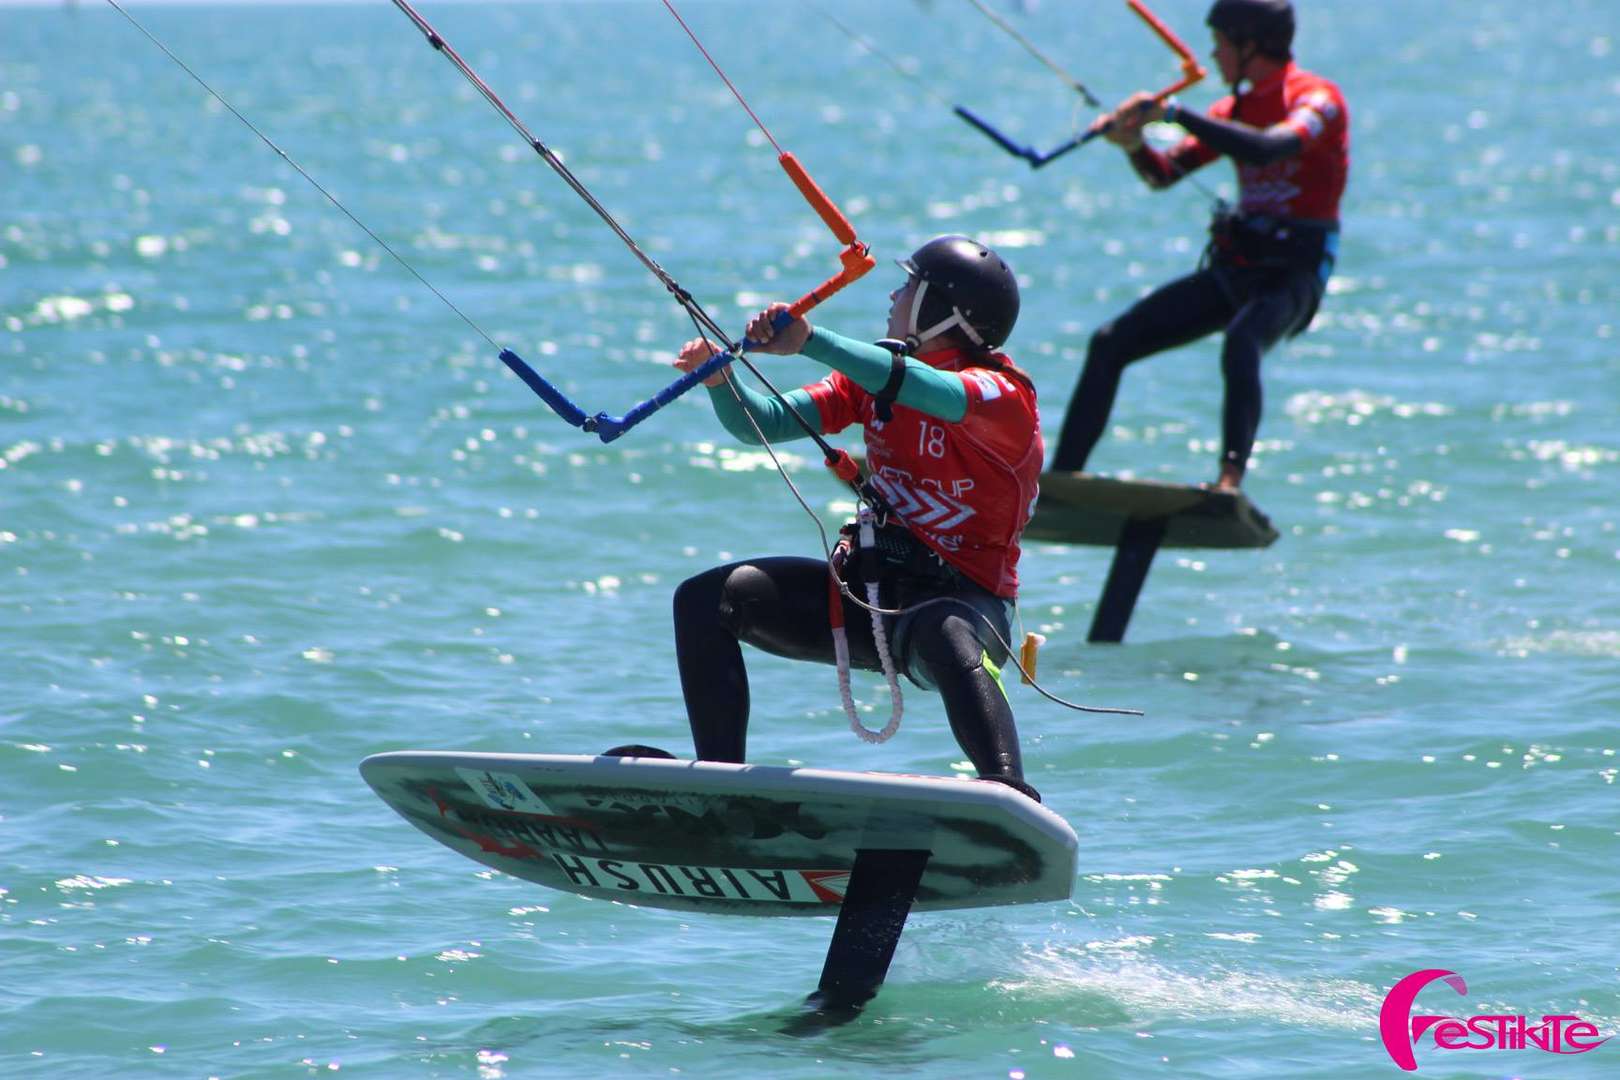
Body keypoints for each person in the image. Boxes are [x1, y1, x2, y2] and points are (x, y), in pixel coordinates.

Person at [666, 235, 1046, 800]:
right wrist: (723, 384)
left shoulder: (1001, 396)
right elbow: (762, 423)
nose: (894, 294)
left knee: (948, 633)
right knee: (705, 600)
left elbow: (921, 387)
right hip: (870, 599)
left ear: (942, 311)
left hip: (964, 605)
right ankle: (721, 793)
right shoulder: (869, 383)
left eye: (909, 286)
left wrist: (810, 340)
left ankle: (1009, 794)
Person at [1049, 0, 1348, 490]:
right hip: (1240, 268)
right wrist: (1133, 146)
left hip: (1294, 275)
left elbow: (1267, 147)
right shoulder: (1232, 110)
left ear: (1250, 45)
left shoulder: (1317, 98)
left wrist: (1171, 112)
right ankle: (1062, 480)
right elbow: (1165, 174)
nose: (1214, 54)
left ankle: (1229, 478)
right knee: (1109, 343)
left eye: (1221, 44)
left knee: (1243, 340)